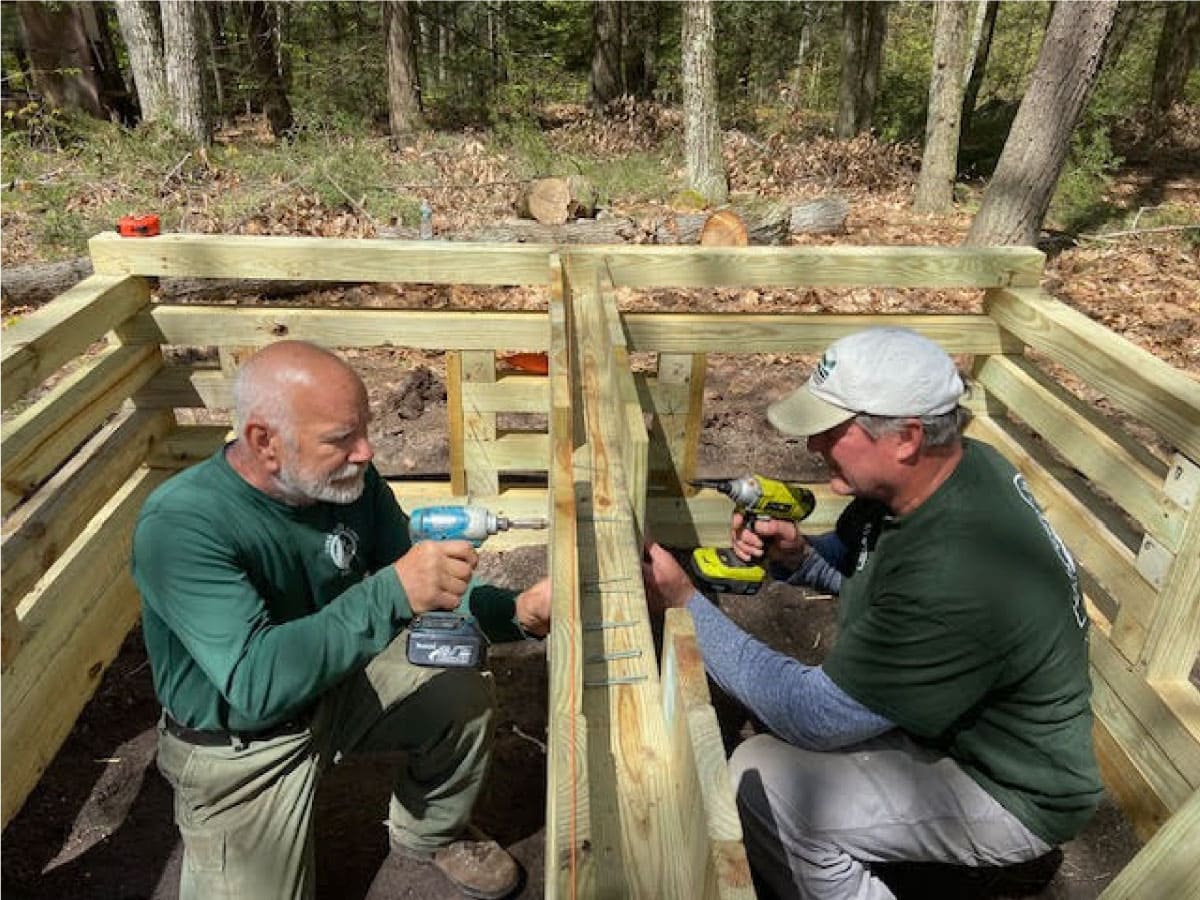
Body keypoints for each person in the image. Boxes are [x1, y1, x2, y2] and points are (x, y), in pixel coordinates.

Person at [642, 327, 1101, 900]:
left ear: (907, 437)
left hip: (1011, 789)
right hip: (953, 726)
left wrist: (684, 603)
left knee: (760, 783)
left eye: (831, 431)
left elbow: (813, 715)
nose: (812, 447)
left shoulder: (959, 572)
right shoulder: (950, 473)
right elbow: (869, 572)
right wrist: (800, 558)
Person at [132, 340, 551, 900]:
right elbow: (255, 686)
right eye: (340, 439)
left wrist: (516, 613)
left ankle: (430, 832)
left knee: (458, 682)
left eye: (364, 430)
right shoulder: (183, 525)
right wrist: (390, 592)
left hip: (335, 686)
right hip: (241, 748)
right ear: (264, 442)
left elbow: (426, 580)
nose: (365, 451)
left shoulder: (347, 483)